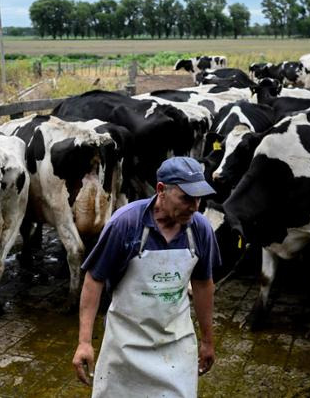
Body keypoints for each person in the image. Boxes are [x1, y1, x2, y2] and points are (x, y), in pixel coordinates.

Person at [72, 156, 221, 397]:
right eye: (186, 198)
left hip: (175, 345)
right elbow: (94, 279)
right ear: (161, 190)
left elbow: (203, 284)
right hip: (125, 346)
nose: (195, 207)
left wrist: (207, 341)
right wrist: (84, 342)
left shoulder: (200, 229)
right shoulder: (126, 224)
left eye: (198, 198)